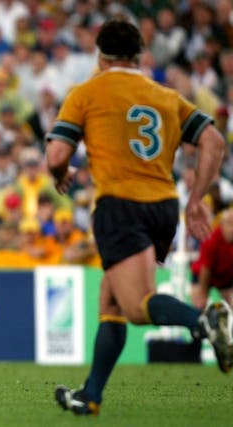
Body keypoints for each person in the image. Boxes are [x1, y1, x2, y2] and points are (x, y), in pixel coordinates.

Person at [45, 19, 230, 416]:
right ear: (139, 56)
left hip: (119, 204)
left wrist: (60, 175)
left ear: (101, 55)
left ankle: (203, 322)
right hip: (164, 206)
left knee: (134, 305)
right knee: (110, 298)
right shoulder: (165, 95)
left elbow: (57, 155)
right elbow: (213, 140)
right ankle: (90, 395)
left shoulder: (87, 92)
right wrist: (197, 199)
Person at [191, 208, 233, 309]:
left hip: (225, 276)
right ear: (222, 224)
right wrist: (202, 293)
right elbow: (206, 269)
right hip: (203, 275)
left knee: (230, 306)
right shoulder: (211, 240)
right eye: (230, 224)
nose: (232, 229)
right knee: (199, 306)